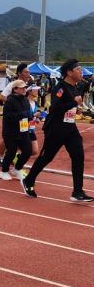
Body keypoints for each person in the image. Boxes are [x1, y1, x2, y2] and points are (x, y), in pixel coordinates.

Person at [21, 60, 93, 201]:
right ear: (69, 72)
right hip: (56, 128)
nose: (81, 71)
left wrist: (76, 108)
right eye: (78, 69)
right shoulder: (60, 88)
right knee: (47, 157)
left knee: (78, 156)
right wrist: (73, 103)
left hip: (70, 127)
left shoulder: (76, 87)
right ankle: (29, 180)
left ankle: (77, 191)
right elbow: (55, 108)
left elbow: (71, 106)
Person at [0, 63, 32, 167]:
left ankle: (11, 157)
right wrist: (13, 104)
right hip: (12, 116)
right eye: (26, 72)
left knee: (21, 137)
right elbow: (2, 97)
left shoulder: (26, 83)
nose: (28, 74)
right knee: (8, 138)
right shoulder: (13, 84)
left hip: (22, 116)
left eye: (29, 72)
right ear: (19, 73)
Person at [0, 80, 32, 181]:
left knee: (28, 151)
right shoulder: (10, 101)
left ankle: (17, 169)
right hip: (11, 131)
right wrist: (22, 115)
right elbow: (8, 116)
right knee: (11, 152)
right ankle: (3, 171)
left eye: (25, 87)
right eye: (22, 88)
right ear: (15, 89)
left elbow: (28, 113)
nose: (24, 89)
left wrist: (30, 117)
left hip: (23, 129)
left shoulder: (25, 100)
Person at [26, 85, 42, 157]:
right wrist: (34, 116)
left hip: (31, 129)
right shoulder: (24, 102)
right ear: (29, 91)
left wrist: (37, 119)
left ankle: (18, 155)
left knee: (34, 151)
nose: (37, 91)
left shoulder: (35, 103)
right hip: (23, 129)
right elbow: (22, 115)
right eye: (35, 90)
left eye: (37, 90)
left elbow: (34, 115)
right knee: (24, 148)